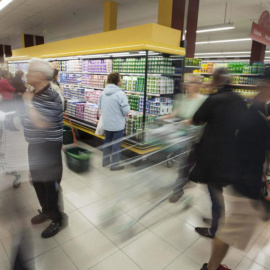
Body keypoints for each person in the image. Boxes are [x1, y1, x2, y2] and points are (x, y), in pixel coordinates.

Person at [197, 69, 268, 270]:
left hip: (239, 175)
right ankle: (211, 268)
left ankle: (212, 265)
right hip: (244, 180)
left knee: (227, 229)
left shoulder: (253, 108)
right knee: (227, 232)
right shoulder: (250, 110)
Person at [23, 58, 66, 238]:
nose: (27, 74)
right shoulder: (35, 93)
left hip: (48, 148)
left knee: (50, 185)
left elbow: (42, 123)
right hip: (35, 146)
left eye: (30, 71)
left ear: (41, 75)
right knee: (38, 182)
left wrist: (28, 104)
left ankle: (58, 219)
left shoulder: (53, 95)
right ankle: (46, 211)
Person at [162, 74, 207, 203]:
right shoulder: (181, 98)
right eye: (188, 82)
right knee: (184, 164)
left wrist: (191, 122)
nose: (189, 85)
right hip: (181, 136)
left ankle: (180, 188)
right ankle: (181, 186)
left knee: (186, 165)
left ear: (199, 85)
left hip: (195, 138)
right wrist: (164, 118)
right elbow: (175, 114)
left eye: (193, 83)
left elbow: (205, 119)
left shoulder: (203, 100)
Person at [98, 72, 130, 171]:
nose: (121, 81)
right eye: (120, 79)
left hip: (107, 123)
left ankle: (105, 161)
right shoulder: (120, 94)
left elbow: (100, 106)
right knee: (116, 144)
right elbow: (126, 111)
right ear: (117, 81)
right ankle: (115, 165)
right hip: (117, 124)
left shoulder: (103, 92)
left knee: (107, 141)